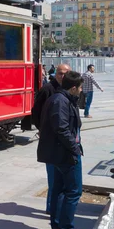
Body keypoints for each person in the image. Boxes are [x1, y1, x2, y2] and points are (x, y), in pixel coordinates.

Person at [37, 71, 85, 229]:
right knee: (73, 191)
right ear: (73, 88)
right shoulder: (60, 101)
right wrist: (75, 149)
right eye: (80, 88)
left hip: (58, 153)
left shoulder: (61, 99)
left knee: (58, 189)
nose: (81, 91)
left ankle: (58, 226)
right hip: (64, 154)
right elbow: (62, 129)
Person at [31, 63, 71, 214]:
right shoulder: (48, 89)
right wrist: (42, 129)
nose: (62, 76)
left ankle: (57, 207)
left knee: (63, 178)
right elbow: (36, 111)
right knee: (53, 177)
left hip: (65, 140)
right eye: (60, 73)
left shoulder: (69, 88)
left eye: (66, 73)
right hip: (51, 140)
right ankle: (52, 208)